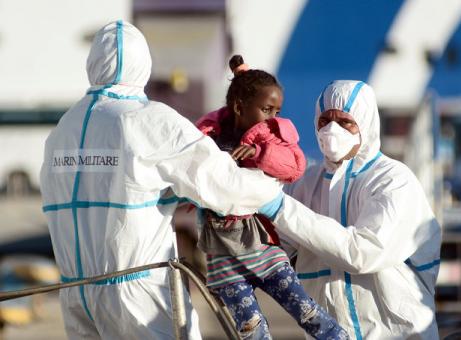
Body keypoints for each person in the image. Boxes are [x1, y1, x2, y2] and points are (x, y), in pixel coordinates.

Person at [39, 21, 285, 340]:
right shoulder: (148, 120)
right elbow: (225, 187)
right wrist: (273, 178)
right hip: (138, 294)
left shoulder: (62, 130)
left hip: (76, 293)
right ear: (144, 63)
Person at [194, 55, 348, 340]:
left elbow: (294, 166)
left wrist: (259, 154)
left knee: (307, 311)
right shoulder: (208, 140)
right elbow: (190, 177)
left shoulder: (270, 138)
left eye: (276, 111)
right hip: (223, 257)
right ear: (240, 107)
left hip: (263, 248)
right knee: (252, 330)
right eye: (267, 110)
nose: (273, 118)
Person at [273, 80, 442, 339]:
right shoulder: (307, 183)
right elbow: (274, 245)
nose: (332, 129)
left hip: (396, 333)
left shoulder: (392, 180)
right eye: (325, 120)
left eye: (344, 122)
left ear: (365, 123)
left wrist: (280, 207)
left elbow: (363, 252)